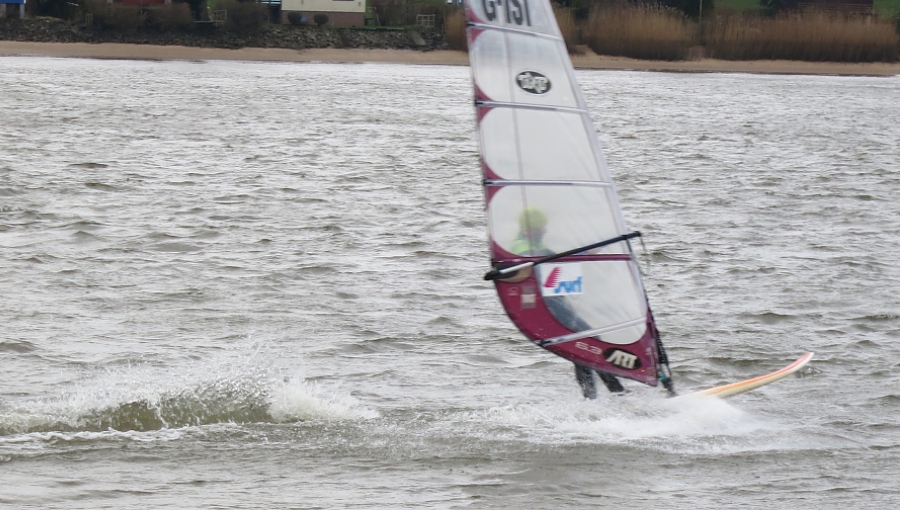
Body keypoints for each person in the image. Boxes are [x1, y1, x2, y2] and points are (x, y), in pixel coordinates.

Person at [511, 207, 625, 399]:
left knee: (585, 343)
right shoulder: (523, 248)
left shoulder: (530, 244)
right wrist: (587, 251)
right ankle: (608, 392)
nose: (545, 231)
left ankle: (600, 394)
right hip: (547, 307)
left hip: (553, 303)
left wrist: (588, 251)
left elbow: (558, 260)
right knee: (588, 340)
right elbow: (557, 259)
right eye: (541, 228)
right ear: (529, 229)